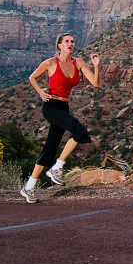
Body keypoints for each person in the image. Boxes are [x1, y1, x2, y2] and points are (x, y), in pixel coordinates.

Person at [20, 33, 100, 203]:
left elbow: (95, 82)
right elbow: (32, 77)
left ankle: (29, 186)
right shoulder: (50, 63)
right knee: (79, 131)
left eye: (72, 41)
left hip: (64, 106)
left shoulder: (78, 62)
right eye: (67, 41)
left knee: (50, 146)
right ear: (60, 45)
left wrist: (96, 66)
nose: (70, 44)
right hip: (51, 106)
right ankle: (57, 167)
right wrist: (40, 91)